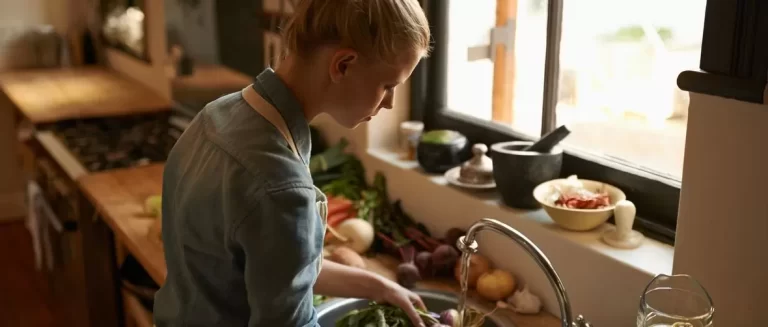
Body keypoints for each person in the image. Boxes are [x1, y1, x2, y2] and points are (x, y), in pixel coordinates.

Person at [153, 0, 432, 326]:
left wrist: (379, 286)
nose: (390, 103)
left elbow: (275, 267)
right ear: (343, 65)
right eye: (388, 86)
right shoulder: (282, 188)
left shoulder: (214, 116)